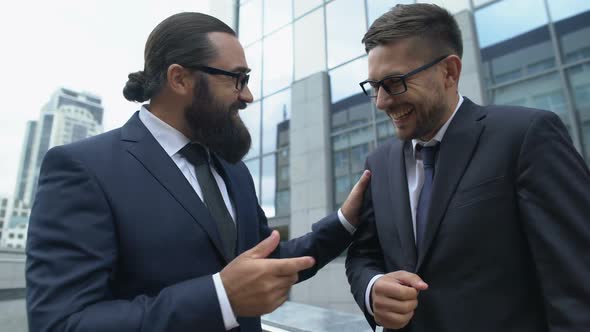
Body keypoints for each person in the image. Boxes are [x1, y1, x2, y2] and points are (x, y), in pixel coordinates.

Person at [26, 12, 370, 332]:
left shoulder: (233, 171)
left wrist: (344, 222)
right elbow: (63, 322)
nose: (247, 95)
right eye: (238, 78)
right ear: (180, 78)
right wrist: (220, 298)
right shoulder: (84, 168)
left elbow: (267, 262)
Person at [345, 3, 590, 332]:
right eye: (374, 87)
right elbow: (363, 255)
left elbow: (576, 281)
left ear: (449, 72)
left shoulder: (526, 136)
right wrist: (372, 288)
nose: (382, 102)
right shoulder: (379, 163)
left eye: (394, 82)